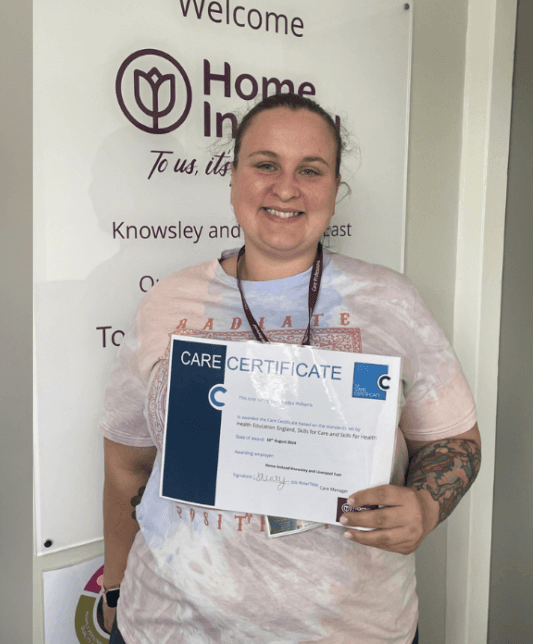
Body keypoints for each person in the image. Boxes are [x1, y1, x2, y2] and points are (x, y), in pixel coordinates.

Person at [99, 93, 481, 643]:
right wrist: (113, 586)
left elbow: (456, 441)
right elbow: (127, 467)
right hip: (167, 625)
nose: (285, 187)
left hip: (354, 630)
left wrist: (424, 505)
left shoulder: (391, 301)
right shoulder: (168, 302)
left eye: (310, 169)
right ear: (232, 179)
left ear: (333, 189)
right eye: (265, 164)